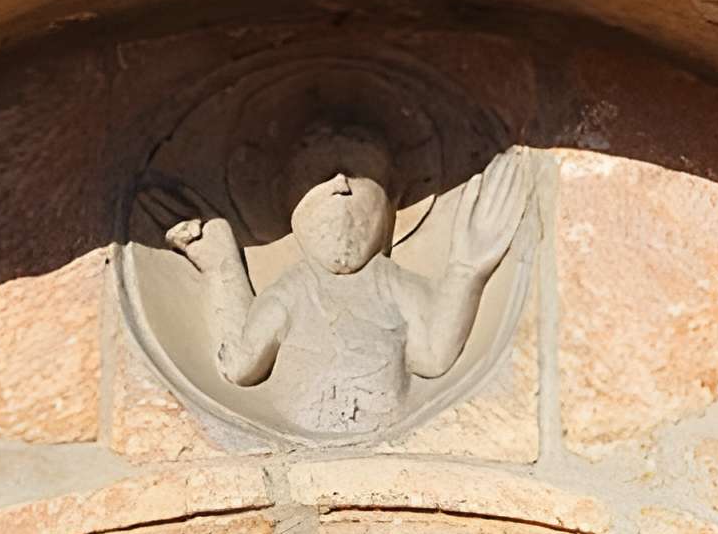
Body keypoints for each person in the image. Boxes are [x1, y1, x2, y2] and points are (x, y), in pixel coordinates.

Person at [162, 117, 528, 437]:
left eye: (361, 171)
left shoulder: (393, 284)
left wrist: (467, 269)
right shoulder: (292, 291)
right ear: (285, 202)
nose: (340, 184)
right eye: (316, 174)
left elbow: (433, 354)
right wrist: (221, 267)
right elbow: (241, 364)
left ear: (392, 200)